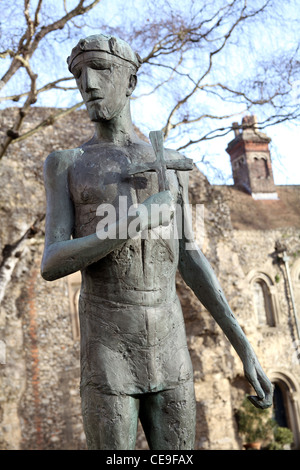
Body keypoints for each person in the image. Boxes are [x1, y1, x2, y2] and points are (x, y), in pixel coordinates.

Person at [41, 34, 273, 450]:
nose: (88, 84)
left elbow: (190, 258)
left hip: (169, 347)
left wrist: (245, 347)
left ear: (130, 82)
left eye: (100, 70)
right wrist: (134, 222)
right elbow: (53, 261)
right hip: (107, 347)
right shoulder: (67, 164)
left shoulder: (169, 164)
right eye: (78, 74)